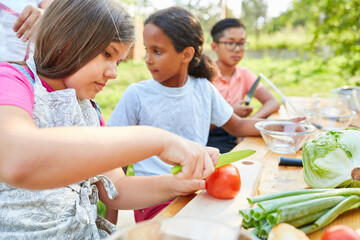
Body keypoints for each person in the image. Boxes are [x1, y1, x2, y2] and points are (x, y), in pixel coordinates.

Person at [0, 0, 218, 239]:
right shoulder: (11, 81)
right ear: (65, 39)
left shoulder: (89, 110)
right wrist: (158, 140)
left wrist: (179, 184)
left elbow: (117, 188)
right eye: (107, 54)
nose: (113, 73)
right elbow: (17, 158)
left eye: (118, 62)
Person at [107, 6, 265, 223]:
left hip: (197, 190)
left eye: (157, 51)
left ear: (187, 54)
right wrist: (109, 223)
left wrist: (282, 126)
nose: (148, 59)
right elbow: (115, 157)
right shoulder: (137, 94)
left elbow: (237, 126)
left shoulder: (203, 88)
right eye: (147, 50)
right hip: (152, 199)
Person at [207, 18, 281, 153]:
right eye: (230, 43)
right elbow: (197, 122)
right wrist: (230, 112)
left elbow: (272, 102)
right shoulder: (204, 76)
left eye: (241, 43)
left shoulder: (244, 74)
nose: (237, 49)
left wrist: (249, 123)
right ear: (214, 46)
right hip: (209, 140)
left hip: (237, 133)